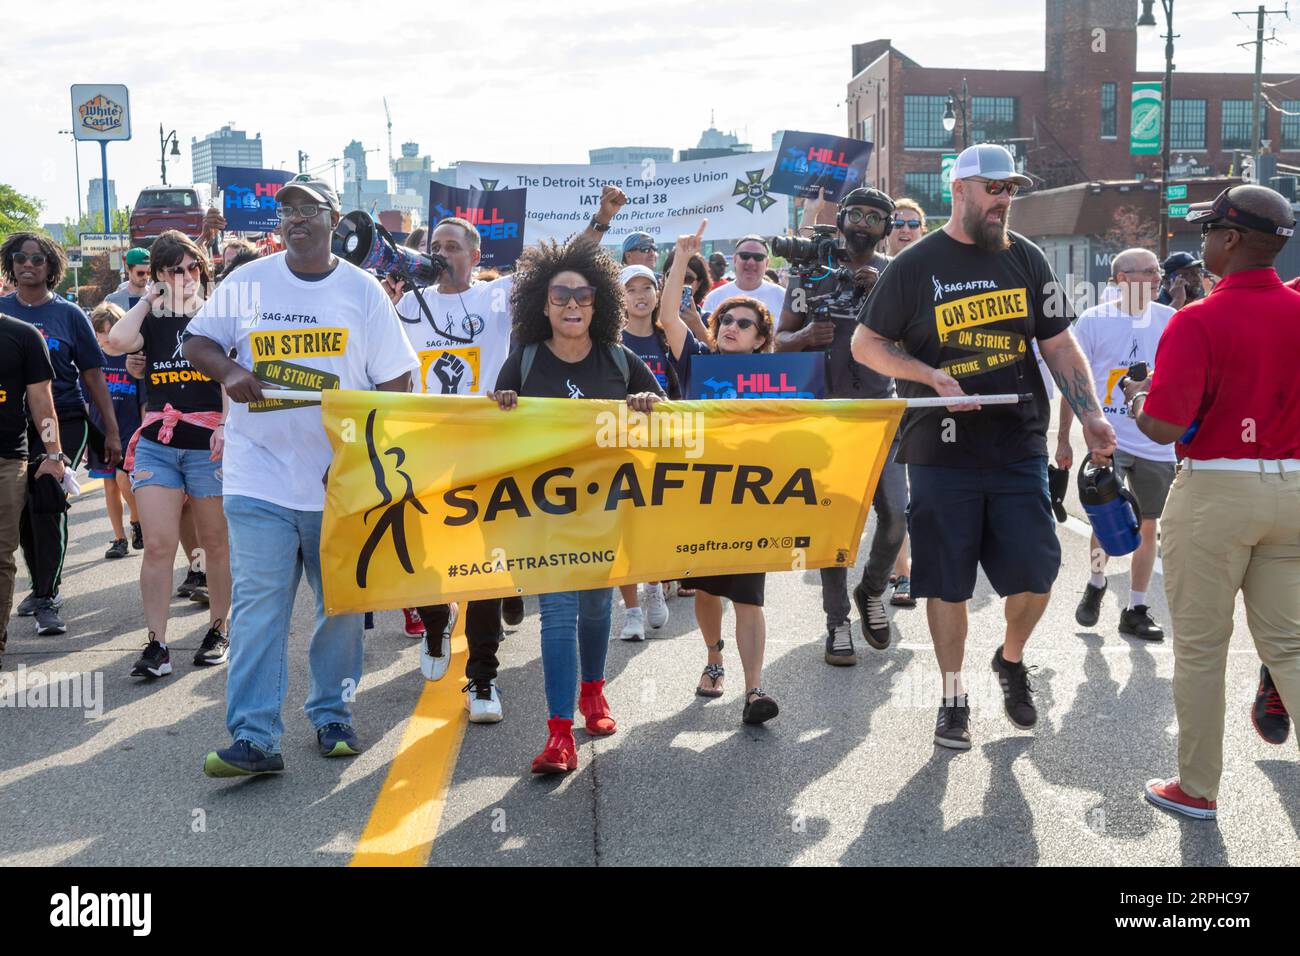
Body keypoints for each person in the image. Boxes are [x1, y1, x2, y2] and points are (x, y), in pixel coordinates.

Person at [853, 144, 1116, 751]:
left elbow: (1058, 345)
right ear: (961, 189)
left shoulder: (1026, 258)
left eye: (1012, 190)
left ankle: (1011, 658)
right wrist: (931, 376)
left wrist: (1092, 415)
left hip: (1016, 442)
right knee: (946, 582)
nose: (1005, 200)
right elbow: (867, 345)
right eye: (994, 188)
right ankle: (951, 697)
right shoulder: (915, 265)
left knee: (1038, 570)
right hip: (941, 451)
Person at [183, 174, 420, 777]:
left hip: (336, 485)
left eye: (307, 208)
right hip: (256, 477)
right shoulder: (247, 281)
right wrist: (229, 369)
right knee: (260, 607)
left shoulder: (361, 291)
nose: (293, 218)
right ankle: (255, 737)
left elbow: (397, 383)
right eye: (284, 209)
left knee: (339, 606)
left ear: (334, 217)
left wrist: (369, 459)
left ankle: (333, 715)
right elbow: (198, 341)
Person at [384, 189, 628, 721]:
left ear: (474, 256)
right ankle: (433, 621)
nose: (441, 253)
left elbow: (565, 270)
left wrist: (601, 221)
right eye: (434, 245)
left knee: (487, 567)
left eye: (452, 246)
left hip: (488, 449)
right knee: (427, 553)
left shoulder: (497, 298)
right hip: (426, 447)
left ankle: (482, 679)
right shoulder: (406, 305)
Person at [1124, 185, 1300, 821]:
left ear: (1230, 239)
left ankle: (1197, 789)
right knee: (1290, 646)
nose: (1202, 247)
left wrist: (1139, 404)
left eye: (1208, 234)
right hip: (1293, 487)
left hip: (1217, 490)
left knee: (1201, 649)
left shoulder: (1196, 320)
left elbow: (1166, 427)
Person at [490, 236, 665, 774]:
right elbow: (485, 438)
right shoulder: (520, 362)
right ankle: (559, 733)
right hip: (544, 517)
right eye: (560, 295)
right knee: (558, 617)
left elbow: (669, 423)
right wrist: (502, 410)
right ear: (541, 304)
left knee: (595, 610)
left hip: (606, 514)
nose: (571, 305)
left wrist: (648, 402)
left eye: (582, 296)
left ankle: (595, 693)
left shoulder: (620, 359)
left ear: (598, 304)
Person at [776, 186, 907, 665]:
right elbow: (778, 340)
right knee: (835, 523)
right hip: (827, 416)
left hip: (879, 412)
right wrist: (806, 335)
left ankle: (871, 590)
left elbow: (916, 345)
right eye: (857, 215)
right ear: (842, 218)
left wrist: (880, 299)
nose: (863, 226)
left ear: (886, 230)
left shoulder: (897, 275)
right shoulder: (807, 272)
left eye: (876, 219)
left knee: (896, 514)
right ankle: (836, 624)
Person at [109, 230, 230, 679]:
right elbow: (117, 342)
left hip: (207, 444)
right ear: (158, 274)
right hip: (159, 444)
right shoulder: (153, 319)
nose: (186, 276)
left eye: (192, 266)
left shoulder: (217, 313)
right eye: (174, 269)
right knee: (158, 545)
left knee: (216, 543)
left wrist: (227, 425)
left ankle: (219, 628)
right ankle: (157, 644)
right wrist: (146, 299)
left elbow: (229, 376)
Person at [0, 232, 122, 636]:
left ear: (51, 266)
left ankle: (47, 598)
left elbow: (93, 375)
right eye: (20, 258)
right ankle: (39, 586)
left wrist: (111, 429)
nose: (28, 264)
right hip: (14, 425)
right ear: (11, 264)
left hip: (64, 419)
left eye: (37, 259)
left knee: (47, 501)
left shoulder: (70, 315)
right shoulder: (2, 314)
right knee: (20, 511)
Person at [1056, 248, 1174, 641]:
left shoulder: (1171, 320)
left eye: (1158, 272)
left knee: (1147, 524)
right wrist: (1063, 441)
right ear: (1123, 278)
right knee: (1105, 518)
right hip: (1109, 437)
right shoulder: (1094, 321)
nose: (1158, 278)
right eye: (1150, 272)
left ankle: (1136, 607)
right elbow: (1074, 385)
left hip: (1156, 440)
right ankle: (1095, 580)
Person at [614, 256, 709, 639]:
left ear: (658, 295)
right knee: (623, 525)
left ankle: (653, 585)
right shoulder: (608, 339)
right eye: (630, 289)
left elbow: (699, 366)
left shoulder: (667, 334)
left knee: (653, 523)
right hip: (620, 443)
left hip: (666, 443)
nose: (639, 296)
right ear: (618, 298)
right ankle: (632, 610)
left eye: (646, 288)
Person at [0, 311, 61, 670]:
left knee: (1, 552)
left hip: (8, 459)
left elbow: (42, 401)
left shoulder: (23, 336)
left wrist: (53, 453)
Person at [884, 198, 929, 606]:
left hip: (927, 401)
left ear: (922, 229)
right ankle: (901, 572)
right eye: (896, 222)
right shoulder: (874, 273)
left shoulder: (937, 273)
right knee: (895, 504)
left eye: (911, 223)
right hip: (881, 403)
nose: (904, 228)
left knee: (926, 494)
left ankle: (912, 568)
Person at [87, 303, 143, 559]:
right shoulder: (91, 361)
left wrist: (144, 431)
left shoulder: (132, 357)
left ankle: (136, 519)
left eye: (112, 331)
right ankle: (119, 538)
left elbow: (144, 400)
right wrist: (87, 439)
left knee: (124, 480)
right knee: (109, 485)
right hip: (101, 432)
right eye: (102, 332)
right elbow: (86, 402)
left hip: (129, 430)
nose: (108, 337)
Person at [702, 236, 786, 319]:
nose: (751, 262)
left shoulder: (783, 297)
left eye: (758, 257)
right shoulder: (714, 298)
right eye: (745, 256)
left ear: (766, 263)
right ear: (735, 260)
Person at [661, 246, 713, 345]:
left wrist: (698, 326)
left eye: (687, 278)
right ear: (664, 278)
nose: (679, 282)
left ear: (699, 283)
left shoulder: (709, 320)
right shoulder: (651, 315)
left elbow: (716, 355)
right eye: (672, 276)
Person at [105, 247, 152, 312]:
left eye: (149, 272)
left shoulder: (157, 298)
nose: (145, 277)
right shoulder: (112, 301)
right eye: (140, 273)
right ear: (127, 268)